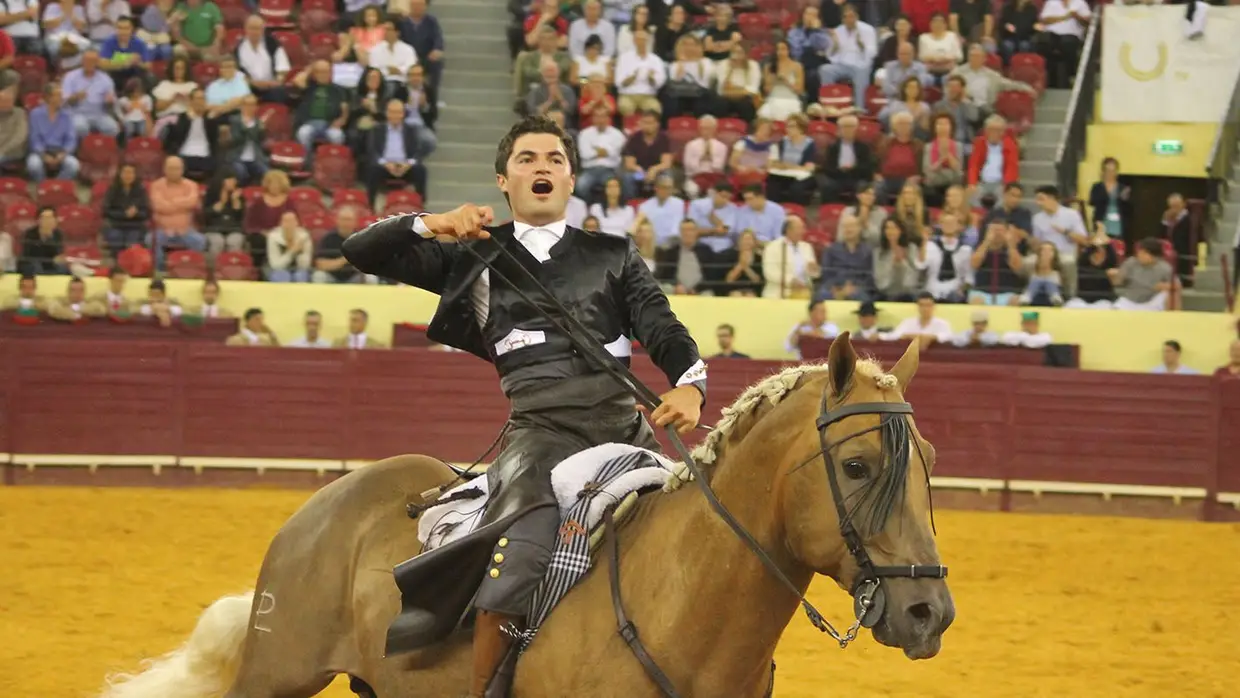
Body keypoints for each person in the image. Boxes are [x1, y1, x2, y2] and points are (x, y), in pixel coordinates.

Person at [340, 115, 705, 698]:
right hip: (539, 437)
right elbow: (360, 250)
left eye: (555, 160)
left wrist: (689, 384)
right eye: (527, 159)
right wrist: (433, 225)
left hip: (624, 433)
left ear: (570, 180)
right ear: (503, 183)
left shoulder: (612, 253)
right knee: (524, 552)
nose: (542, 167)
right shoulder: (471, 256)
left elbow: (664, 328)